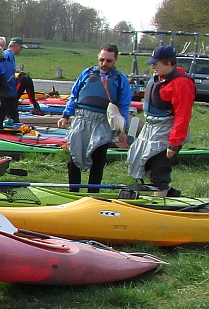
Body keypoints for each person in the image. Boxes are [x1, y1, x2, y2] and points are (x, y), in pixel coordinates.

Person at [58, 44, 133, 192]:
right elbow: (74, 95)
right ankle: (73, 193)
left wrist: (123, 129)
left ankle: (93, 195)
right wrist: (65, 115)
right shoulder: (87, 73)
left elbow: (124, 105)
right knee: (73, 158)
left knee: (98, 161)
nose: (104, 64)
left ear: (115, 60)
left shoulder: (120, 79)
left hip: (103, 123)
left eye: (109, 61)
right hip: (82, 119)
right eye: (102, 59)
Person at [128, 45, 195, 197]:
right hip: (151, 130)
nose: (152, 66)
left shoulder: (181, 83)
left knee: (159, 173)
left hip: (168, 132)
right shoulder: (158, 78)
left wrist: (174, 143)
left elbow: (183, 116)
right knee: (146, 167)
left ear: (169, 63)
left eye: (156, 63)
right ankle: (172, 196)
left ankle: (158, 210)